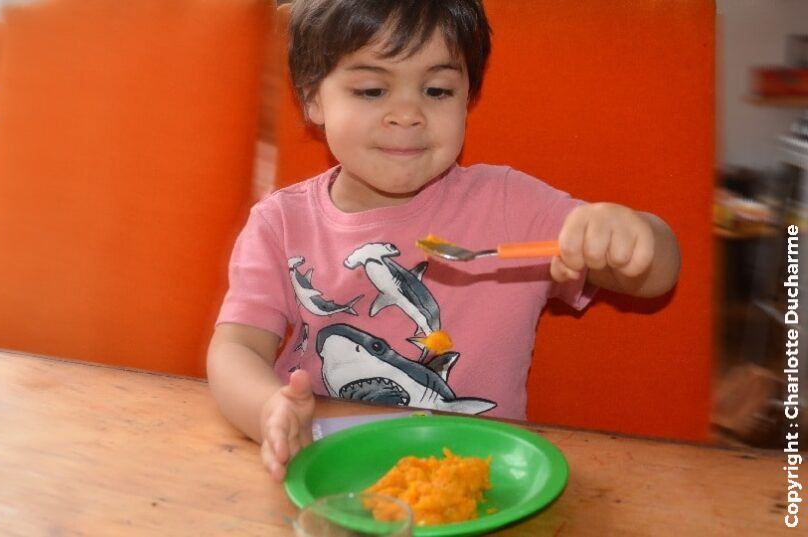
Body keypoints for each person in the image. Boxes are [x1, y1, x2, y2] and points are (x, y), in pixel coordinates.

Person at [206, 0, 681, 482]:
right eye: (372, 89)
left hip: (478, 480)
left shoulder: (509, 207)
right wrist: (268, 412)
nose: (408, 114)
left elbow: (656, 276)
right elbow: (235, 348)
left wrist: (631, 236)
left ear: (467, 95)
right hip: (330, 474)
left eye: (436, 90)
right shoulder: (280, 223)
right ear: (313, 98)